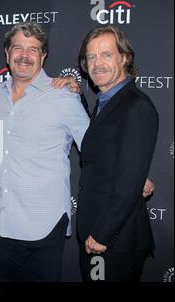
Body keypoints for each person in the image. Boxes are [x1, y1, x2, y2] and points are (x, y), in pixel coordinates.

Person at [0, 22, 90, 282]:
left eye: (33, 49)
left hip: (42, 225)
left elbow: (95, 149)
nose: (24, 55)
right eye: (18, 48)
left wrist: (131, 177)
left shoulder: (63, 96)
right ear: (7, 54)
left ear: (43, 56)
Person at [76, 25, 158, 282]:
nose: (97, 64)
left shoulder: (135, 106)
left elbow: (127, 183)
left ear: (125, 58)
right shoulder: (107, 103)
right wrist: (77, 93)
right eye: (91, 57)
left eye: (106, 54)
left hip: (112, 240)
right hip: (100, 233)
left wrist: (102, 234)